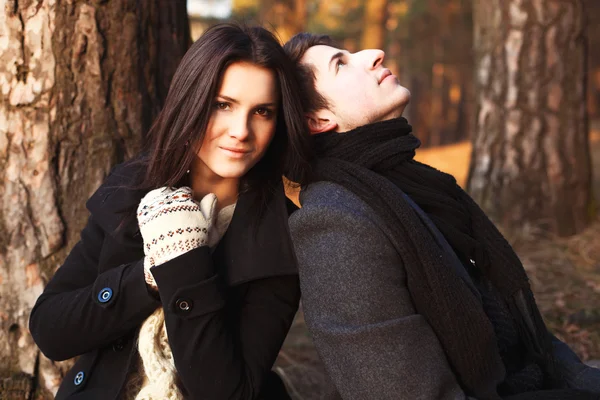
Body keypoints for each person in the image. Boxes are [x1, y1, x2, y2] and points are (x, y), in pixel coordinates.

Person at [284, 33, 600, 400]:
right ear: (318, 120)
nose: (374, 54)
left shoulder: (413, 187)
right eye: (341, 64)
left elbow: (529, 340)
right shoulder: (335, 223)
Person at [29, 23, 310, 400]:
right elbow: (51, 329)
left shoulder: (280, 235)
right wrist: (147, 277)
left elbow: (227, 392)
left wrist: (182, 264)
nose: (241, 130)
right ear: (191, 101)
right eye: (222, 105)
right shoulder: (133, 189)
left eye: (262, 111)